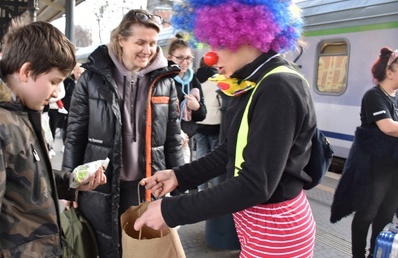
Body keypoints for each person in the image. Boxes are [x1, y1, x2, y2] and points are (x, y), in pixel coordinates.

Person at [134, 0, 317, 257]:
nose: (211, 57)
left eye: (218, 43)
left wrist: (171, 210)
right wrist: (180, 177)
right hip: (257, 224)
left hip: (276, 231)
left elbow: (256, 183)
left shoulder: (279, 87)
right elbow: (232, 150)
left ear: (248, 33)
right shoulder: (255, 81)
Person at [0, 18, 106, 257]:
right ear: (26, 71)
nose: (55, 93)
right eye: (54, 82)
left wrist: (70, 182)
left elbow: (26, 175)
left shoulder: (18, 113)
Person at [62, 9, 184, 258]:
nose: (147, 50)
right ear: (121, 40)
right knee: (105, 247)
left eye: (152, 43)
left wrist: (182, 186)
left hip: (146, 185)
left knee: (143, 249)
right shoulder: (92, 79)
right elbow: (75, 133)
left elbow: (172, 138)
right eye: (140, 42)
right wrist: (68, 186)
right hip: (100, 185)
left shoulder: (165, 81)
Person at [331, 47, 398, 258]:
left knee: (386, 213)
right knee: (368, 212)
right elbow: (387, 127)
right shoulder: (374, 95)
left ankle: (375, 254)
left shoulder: (395, 98)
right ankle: (358, 254)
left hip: (393, 166)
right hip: (374, 166)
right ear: (390, 72)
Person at [167, 34, 207, 163]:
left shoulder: (193, 80)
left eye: (188, 58)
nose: (184, 63)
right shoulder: (163, 79)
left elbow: (202, 115)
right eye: (179, 58)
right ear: (170, 57)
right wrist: (176, 133)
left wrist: (197, 107)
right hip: (167, 139)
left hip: (186, 139)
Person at [195, 57, 222, 190]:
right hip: (215, 122)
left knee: (200, 156)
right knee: (215, 158)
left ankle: (201, 189)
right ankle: (216, 189)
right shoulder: (218, 80)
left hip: (199, 122)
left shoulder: (195, 78)